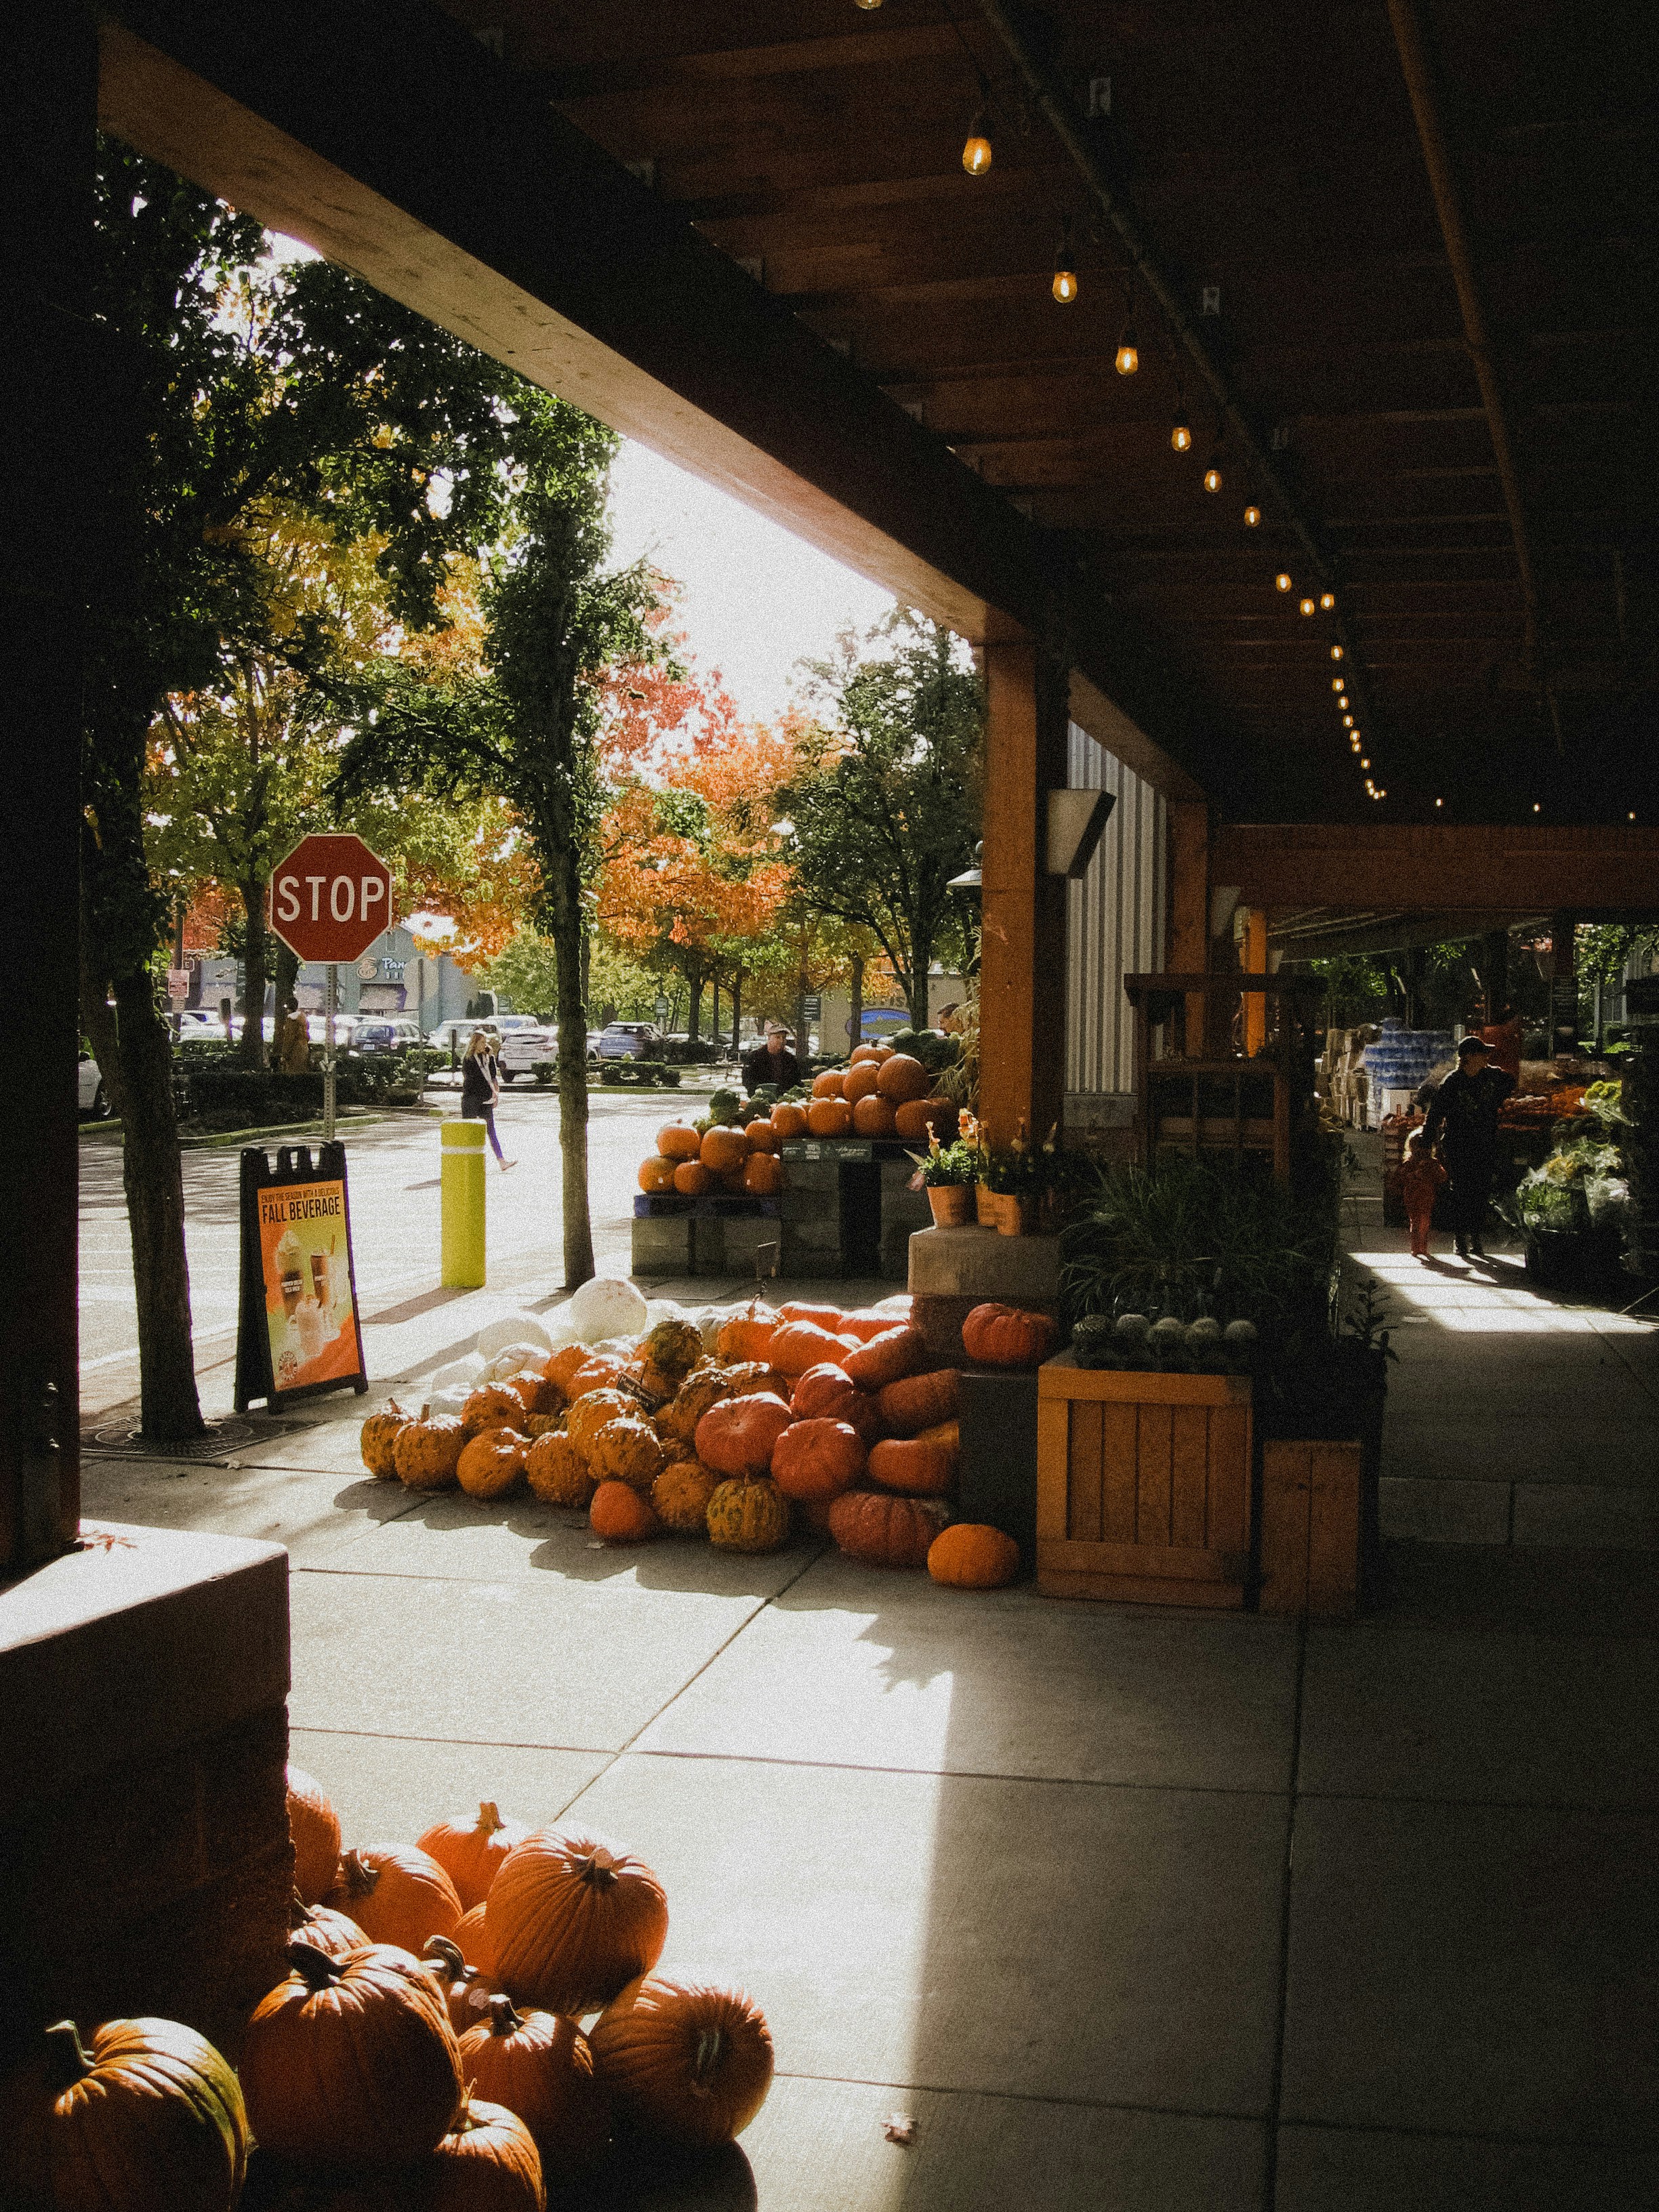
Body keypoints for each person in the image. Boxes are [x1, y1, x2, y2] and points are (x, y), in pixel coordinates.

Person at [1422, 1035, 1514, 1260]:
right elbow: (1435, 1114)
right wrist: (1426, 1143)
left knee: (1481, 1190)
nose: (1487, 1058)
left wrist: (1495, 1102)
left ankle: (1475, 1235)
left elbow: (1510, 1082)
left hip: (1485, 1142)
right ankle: (1460, 1236)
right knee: (1462, 1190)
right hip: (1458, 1144)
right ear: (1470, 1057)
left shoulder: (1492, 1076)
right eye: (1483, 1054)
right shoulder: (1452, 1083)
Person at [460, 1028, 514, 1170]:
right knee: (469, 1131)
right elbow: (472, 1079)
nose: (484, 1045)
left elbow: (492, 1077)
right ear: (474, 1043)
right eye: (481, 1042)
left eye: (485, 1042)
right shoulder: (469, 1059)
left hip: (486, 1098)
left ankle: (502, 1160)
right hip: (472, 1098)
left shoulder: (488, 1058)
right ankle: (466, 1162)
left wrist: (494, 1094)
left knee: (491, 1130)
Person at [1399, 1124, 1447, 1261]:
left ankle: (1417, 1247)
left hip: (1417, 1194)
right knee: (1422, 1220)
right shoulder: (1427, 1163)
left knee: (1416, 1221)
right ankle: (1421, 1247)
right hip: (1424, 1194)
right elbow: (1442, 1177)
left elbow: (1401, 1177)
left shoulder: (1411, 1162)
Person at [741, 1023, 801, 1094]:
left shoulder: (790, 1059)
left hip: (784, 1100)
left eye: (784, 1038)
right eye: (778, 1037)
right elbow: (747, 1080)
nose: (781, 1041)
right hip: (760, 1098)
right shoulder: (755, 1057)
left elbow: (796, 1081)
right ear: (769, 1038)